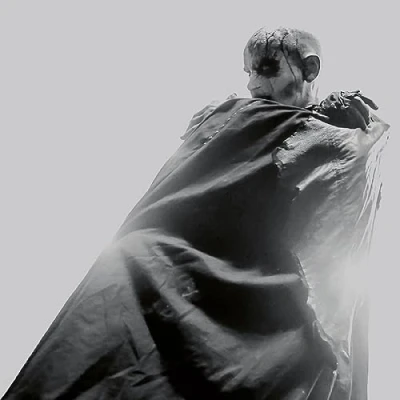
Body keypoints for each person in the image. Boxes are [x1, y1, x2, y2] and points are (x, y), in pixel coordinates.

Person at [2, 27, 389, 400]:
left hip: (275, 287)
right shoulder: (230, 116)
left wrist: (334, 124)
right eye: (248, 72)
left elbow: (340, 227)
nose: (254, 85)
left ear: (310, 69)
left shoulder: (346, 129)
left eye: (268, 68)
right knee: (127, 256)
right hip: (187, 259)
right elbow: (183, 192)